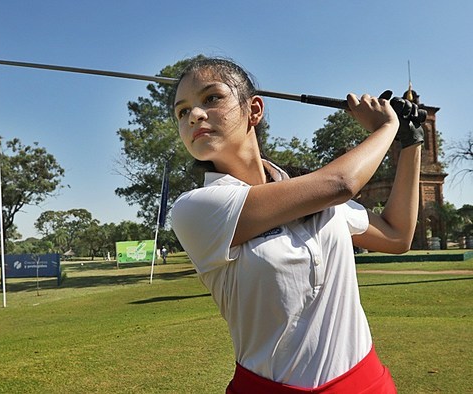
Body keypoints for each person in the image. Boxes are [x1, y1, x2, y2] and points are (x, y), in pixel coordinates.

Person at [170, 57, 423, 393]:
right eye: (181, 111)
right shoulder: (196, 209)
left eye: (211, 98)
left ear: (254, 110)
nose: (194, 116)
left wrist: (411, 143)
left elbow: (397, 234)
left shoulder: (312, 196)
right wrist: (386, 127)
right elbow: (342, 183)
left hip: (366, 383)